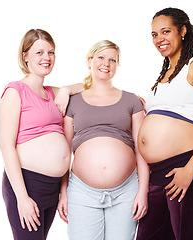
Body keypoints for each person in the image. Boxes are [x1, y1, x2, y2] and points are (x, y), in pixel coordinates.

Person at [136, 8, 193, 240]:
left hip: (186, 166)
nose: (159, 39)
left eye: (166, 31)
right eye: (154, 34)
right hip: (157, 174)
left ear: (182, 30)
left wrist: (190, 170)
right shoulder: (163, 76)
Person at [57, 40, 149, 240]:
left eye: (112, 60)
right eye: (101, 57)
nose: (106, 63)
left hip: (126, 191)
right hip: (82, 192)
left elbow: (142, 150)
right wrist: (63, 192)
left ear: (117, 65)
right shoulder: (73, 101)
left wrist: (143, 191)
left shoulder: (132, 100)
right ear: (89, 61)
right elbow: (64, 152)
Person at [0, 29, 84, 240]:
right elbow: (6, 146)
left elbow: (89, 87)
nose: (46, 58)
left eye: (51, 52)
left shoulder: (52, 93)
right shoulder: (15, 92)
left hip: (52, 187)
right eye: (39, 52)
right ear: (25, 56)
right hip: (27, 184)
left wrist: (65, 89)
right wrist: (22, 197)